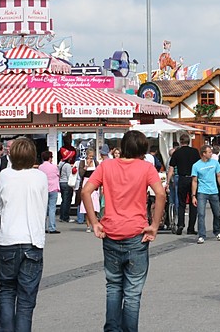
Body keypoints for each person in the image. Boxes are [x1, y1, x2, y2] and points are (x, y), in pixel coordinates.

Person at [82, 130, 166, 332]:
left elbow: (86, 191)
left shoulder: (107, 165)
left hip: (110, 232)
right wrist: (154, 225)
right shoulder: (146, 168)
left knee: (113, 287)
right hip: (136, 233)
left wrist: (94, 222)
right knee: (132, 292)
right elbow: (161, 193)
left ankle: (112, 329)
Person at [0, 136, 49, 332]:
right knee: (26, 300)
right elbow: (43, 208)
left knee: (7, 292)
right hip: (32, 240)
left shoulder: (5, 175)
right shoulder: (40, 176)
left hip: (9, 239)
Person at [191, 145, 220, 244]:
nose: (211, 154)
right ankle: (201, 235)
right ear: (204, 154)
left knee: (217, 214)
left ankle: (217, 231)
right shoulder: (196, 165)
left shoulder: (215, 163)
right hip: (202, 192)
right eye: (209, 152)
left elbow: (219, 176)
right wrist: (193, 195)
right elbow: (194, 181)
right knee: (201, 214)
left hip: (214, 191)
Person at [166, 133, 200, 235]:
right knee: (193, 203)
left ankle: (180, 224)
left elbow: (171, 168)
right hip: (193, 178)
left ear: (180, 142)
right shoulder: (194, 152)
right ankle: (191, 227)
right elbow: (198, 165)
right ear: (188, 141)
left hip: (182, 178)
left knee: (181, 203)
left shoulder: (177, 153)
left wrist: (167, 182)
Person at [38, 151, 61, 234]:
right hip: (53, 188)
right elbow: (58, 175)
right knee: (52, 208)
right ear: (50, 158)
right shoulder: (54, 167)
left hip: (44, 188)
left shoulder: (40, 167)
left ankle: (42, 227)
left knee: (43, 208)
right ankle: (52, 227)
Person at [58, 148, 76, 223]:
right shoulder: (68, 165)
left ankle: (62, 216)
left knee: (63, 200)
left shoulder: (60, 164)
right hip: (67, 184)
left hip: (61, 182)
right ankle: (66, 217)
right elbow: (69, 176)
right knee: (67, 201)